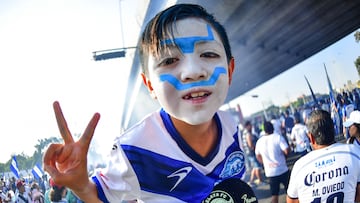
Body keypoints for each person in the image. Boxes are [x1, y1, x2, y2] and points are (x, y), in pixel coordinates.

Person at [43, 4, 257, 203]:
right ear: (149, 85)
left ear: (229, 71)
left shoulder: (231, 127)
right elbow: (99, 195)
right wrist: (81, 186)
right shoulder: (134, 150)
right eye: (170, 60)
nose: (193, 72)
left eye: (208, 54)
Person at [286, 110, 360, 203]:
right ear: (333, 130)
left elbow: (292, 201)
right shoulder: (353, 153)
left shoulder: (299, 166)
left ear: (311, 138)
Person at [255, 121, 291, 203]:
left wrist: (264, 163)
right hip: (282, 169)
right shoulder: (278, 137)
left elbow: (257, 155)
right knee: (290, 193)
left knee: (274, 195)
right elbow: (286, 150)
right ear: (273, 128)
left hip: (270, 172)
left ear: (264, 130)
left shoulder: (259, 141)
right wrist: (285, 157)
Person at [242, 121, 265, 187]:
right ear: (248, 126)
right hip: (251, 153)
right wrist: (256, 150)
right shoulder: (248, 133)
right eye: (251, 125)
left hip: (248, 153)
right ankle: (260, 181)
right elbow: (250, 145)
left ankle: (251, 181)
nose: (252, 126)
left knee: (254, 167)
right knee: (257, 167)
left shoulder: (245, 132)